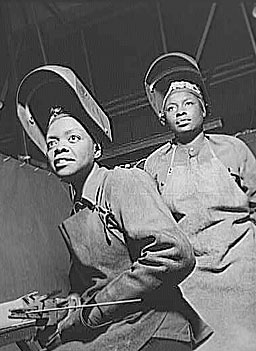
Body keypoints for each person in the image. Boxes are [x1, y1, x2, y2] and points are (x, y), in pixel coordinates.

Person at [13, 65, 213, 351]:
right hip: (120, 328)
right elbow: (96, 285)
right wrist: (65, 307)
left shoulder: (122, 182)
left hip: (156, 327)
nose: (59, 148)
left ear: (96, 149)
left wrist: (91, 311)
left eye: (73, 138)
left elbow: (174, 253)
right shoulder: (77, 211)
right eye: (52, 142)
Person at [144, 52, 256, 351]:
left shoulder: (234, 149)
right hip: (192, 281)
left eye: (188, 103)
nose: (180, 111)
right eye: (171, 107)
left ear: (203, 109)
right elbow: (152, 224)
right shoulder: (154, 165)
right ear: (163, 117)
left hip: (243, 270)